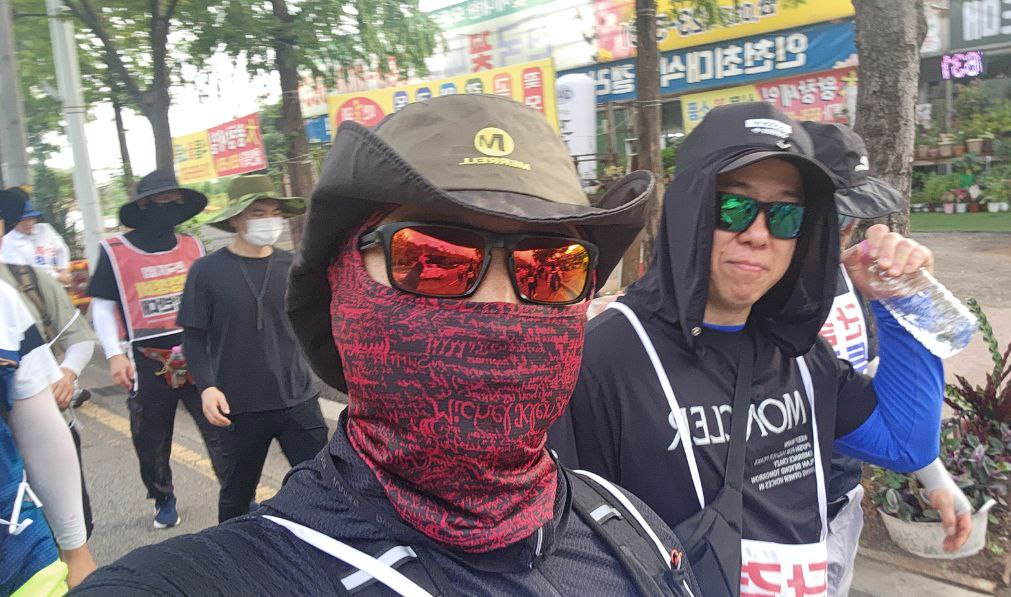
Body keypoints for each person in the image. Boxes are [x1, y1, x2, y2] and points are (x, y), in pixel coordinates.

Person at [76, 95, 698, 596]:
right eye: (433, 257)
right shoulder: (212, 580)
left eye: (550, 267)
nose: (501, 305)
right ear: (343, 289)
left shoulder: (633, 531)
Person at [549, 103, 953, 596]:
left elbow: (906, 443)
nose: (759, 235)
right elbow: (564, 551)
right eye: (734, 208)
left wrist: (903, 300)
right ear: (688, 210)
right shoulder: (603, 360)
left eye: (784, 215)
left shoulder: (800, 354)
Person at [803, 121, 973, 594]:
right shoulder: (751, 297)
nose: (847, 234)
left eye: (852, 220)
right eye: (834, 218)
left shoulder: (846, 276)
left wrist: (902, 296)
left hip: (838, 504)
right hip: (763, 519)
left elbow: (868, 372)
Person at [178, 174, 327, 523]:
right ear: (235, 219)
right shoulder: (206, 272)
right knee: (237, 496)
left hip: (297, 399)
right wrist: (207, 387)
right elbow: (193, 337)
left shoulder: (294, 267)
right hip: (237, 406)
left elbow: (317, 323)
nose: (269, 221)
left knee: (326, 485)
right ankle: (231, 553)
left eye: (275, 213)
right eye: (258, 212)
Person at [86, 170, 229, 529]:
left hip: (197, 352)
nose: (171, 206)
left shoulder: (192, 246)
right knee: (151, 436)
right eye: (164, 199)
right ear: (145, 204)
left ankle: (238, 492)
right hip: (145, 357)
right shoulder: (115, 251)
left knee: (220, 426)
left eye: (177, 201)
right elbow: (102, 306)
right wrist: (114, 354)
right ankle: (163, 498)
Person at [0, 189, 96, 592]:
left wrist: (66, 374)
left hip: (15, 548)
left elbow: (81, 338)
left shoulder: (21, 285)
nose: (29, 224)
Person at [0, 190, 72, 285]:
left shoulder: (45, 229)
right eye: (23, 220)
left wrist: (64, 269)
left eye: (31, 218)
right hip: (32, 287)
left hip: (58, 282)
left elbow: (62, 249)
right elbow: (26, 269)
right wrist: (57, 276)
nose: (29, 223)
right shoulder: (7, 241)